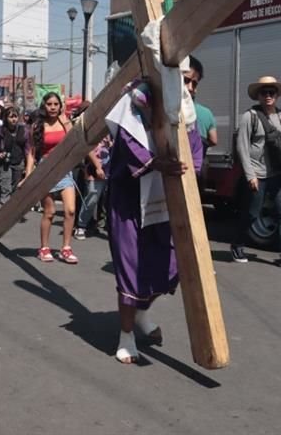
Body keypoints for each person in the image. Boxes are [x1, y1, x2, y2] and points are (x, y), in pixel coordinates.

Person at [105, 80, 201, 364]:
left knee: (171, 265)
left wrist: (187, 174)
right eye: (185, 80)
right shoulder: (132, 107)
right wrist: (158, 163)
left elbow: (194, 152)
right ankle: (125, 336)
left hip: (164, 201)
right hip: (128, 204)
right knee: (131, 270)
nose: (189, 87)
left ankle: (142, 313)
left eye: (193, 82)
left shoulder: (186, 112)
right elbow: (128, 147)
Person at [232, 75, 281, 271]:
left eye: (272, 92)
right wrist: (250, 175)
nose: (268, 96)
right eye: (264, 92)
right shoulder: (251, 116)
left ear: (277, 95)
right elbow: (242, 147)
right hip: (258, 172)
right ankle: (238, 244)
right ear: (258, 96)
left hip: (279, 174)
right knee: (252, 213)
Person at [24, 91, 79, 264]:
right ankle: (44, 247)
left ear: (60, 106)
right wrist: (28, 175)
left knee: (70, 210)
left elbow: (74, 141)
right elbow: (32, 153)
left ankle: (66, 248)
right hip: (45, 169)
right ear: (44, 106)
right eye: (49, 104)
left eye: (56, 104)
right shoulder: (37, 126)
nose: (53, 107)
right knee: (50, 211)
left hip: (63, 169)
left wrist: (67, 123)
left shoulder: (65, 123)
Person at [72, 101, 106, 241]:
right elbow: (87, 147)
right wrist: (97, 166)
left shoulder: (106, 123)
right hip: (92, 167)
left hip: (110, 165)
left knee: (106, 200)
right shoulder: (83, 126)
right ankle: (81, 225)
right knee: (91, 195)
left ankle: (99, 224)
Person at [0, 106, 28, 202]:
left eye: (15, 116)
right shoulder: (0, 131)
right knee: (5, 187)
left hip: (19, 162)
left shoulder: (23, 130)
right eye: (11, 117)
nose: (13, 119)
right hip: (5, 163)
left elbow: (28, 147)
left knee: (16, 188)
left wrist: (28, 162)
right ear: (6, 118)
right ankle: (5, 211)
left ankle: (14, 211)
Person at [185, 56, 217, 159]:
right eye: (185, 80)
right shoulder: (207, 113)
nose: (190, 88)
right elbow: (214, 140)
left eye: (194, 84)